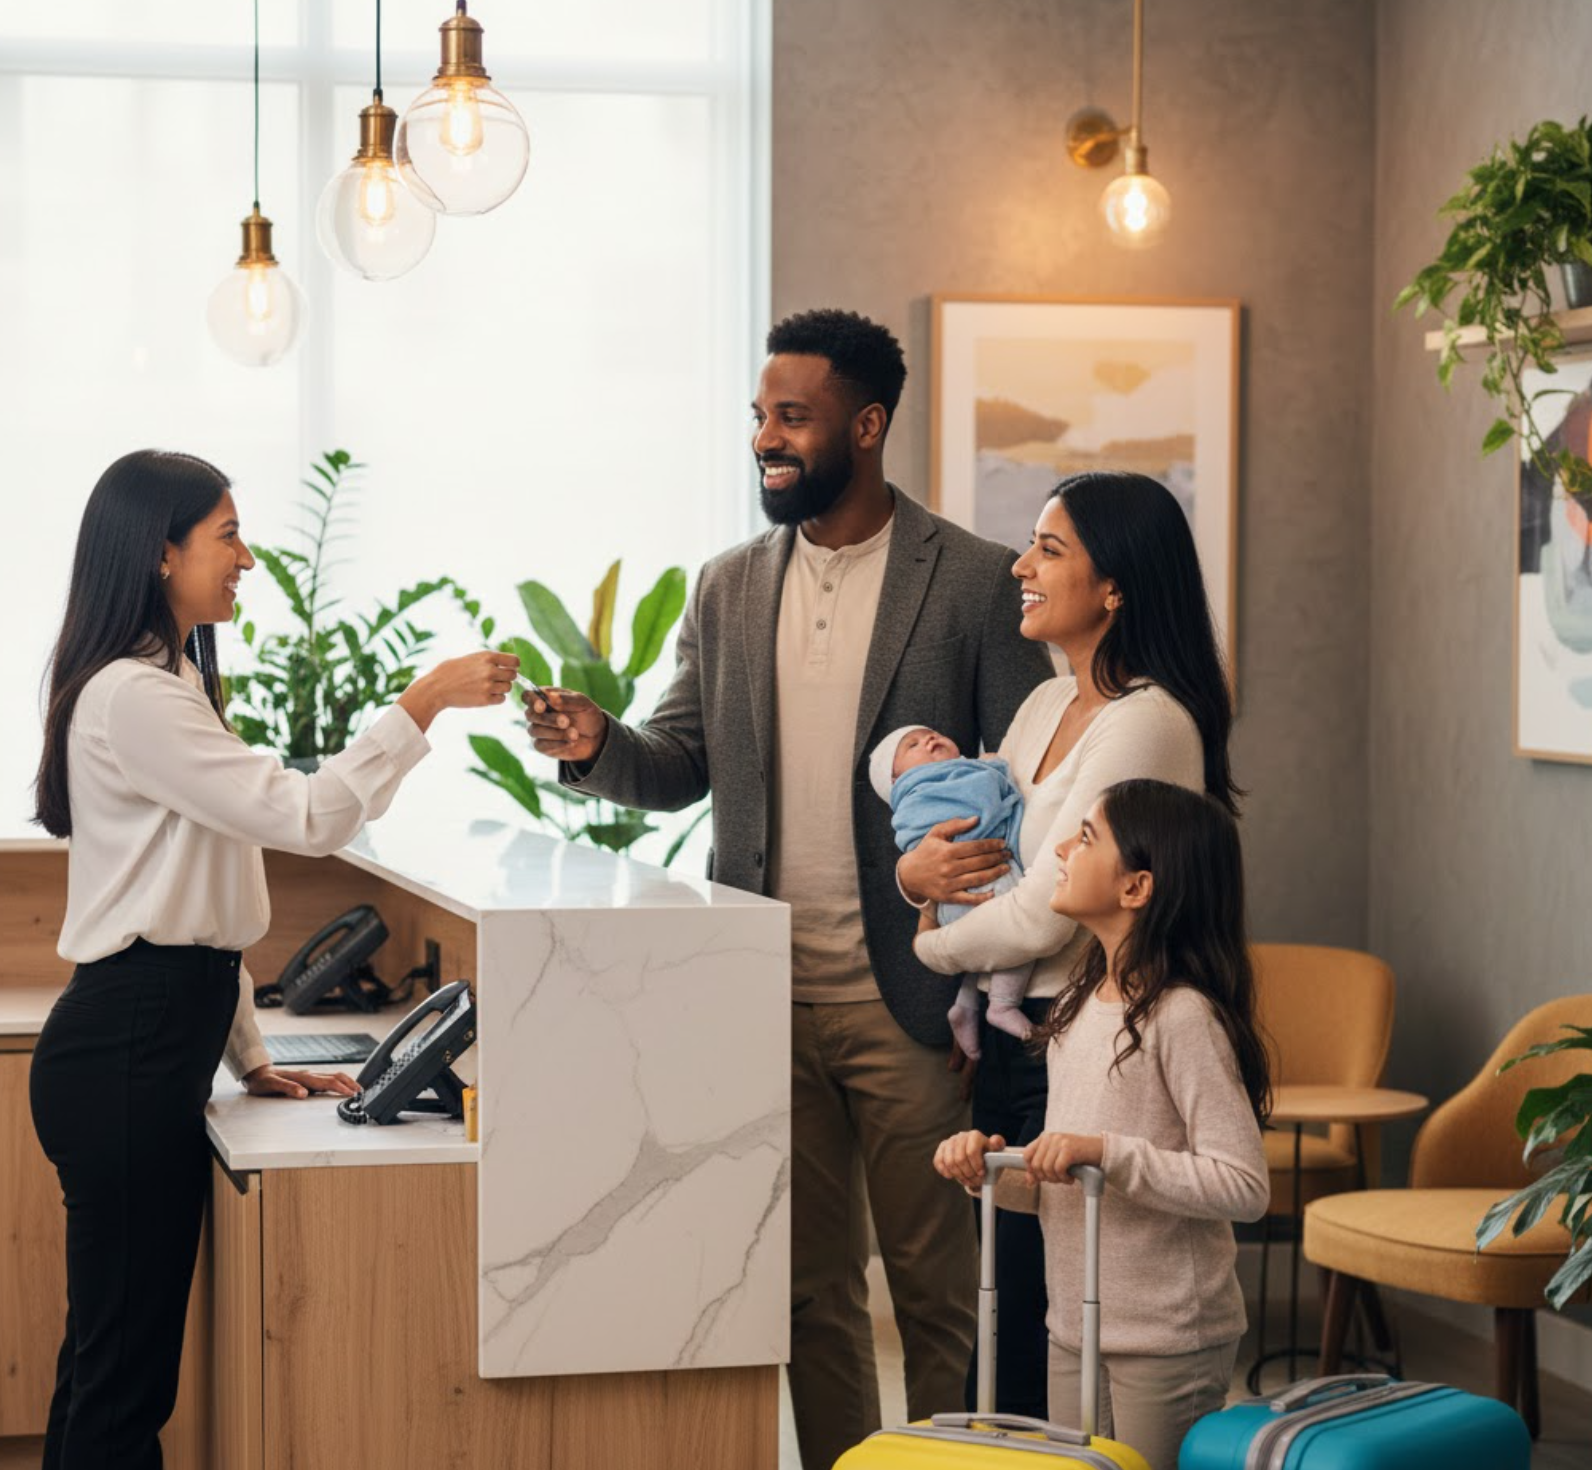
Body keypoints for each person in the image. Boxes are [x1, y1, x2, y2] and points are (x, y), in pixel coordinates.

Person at [525, 309, 1053, 1469]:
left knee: (937, 1295)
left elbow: (1029, 790)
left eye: (790, 417)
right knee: (806, 1297)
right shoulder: (724, 587)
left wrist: (984, 961)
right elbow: (673, 767)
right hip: (759, 996)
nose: (763, 436)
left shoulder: (967, 582)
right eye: (757, 415)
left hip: (915, 1005)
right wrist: (589, 741)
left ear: (864, 428)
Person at [28, 449, 517, 1470]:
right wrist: (419, 701)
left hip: (157, 1029)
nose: (246, 558)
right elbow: (299, 817)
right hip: (129, 1042)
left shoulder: (170, 685)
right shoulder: (137, 696)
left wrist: (248, 1052)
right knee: (122, 1385)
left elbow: (207, 897)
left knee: (113, 1369)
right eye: (228, 536)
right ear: (161, 553)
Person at [898, 470, 1238, 1421]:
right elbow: (972, 852)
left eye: (1049, 550)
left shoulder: (1153, 724)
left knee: (1058, 1326)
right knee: (1008, 1323)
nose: (1021, 566)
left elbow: (1047, 909)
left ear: (1116, 587)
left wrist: (932, 943)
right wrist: (913, 880)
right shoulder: (1046, 709)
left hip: (1083, 1041)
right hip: (1022, 1038)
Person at [934, 778, 1271, 1470]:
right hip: (1075, 1325)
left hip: (1169, 1337)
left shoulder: (1181, 1017)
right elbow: (1074, 1178)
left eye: (1086, 837)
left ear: (1136, 888)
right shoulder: (1079, 1007)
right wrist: (993, 1172)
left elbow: (1244, 1186)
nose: (1060, 847)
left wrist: (1111, 1154)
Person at [868, 724, 1032, 1056]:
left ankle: (965, 1005)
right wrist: (995, 770)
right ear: (897, 781)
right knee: (1017, 938)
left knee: (983, 955)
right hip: (978, 883)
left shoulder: (956, 774)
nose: (928, 739)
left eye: (931, 734)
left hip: (950, 903)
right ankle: (1001, 1004)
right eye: (912, 745)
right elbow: (982, 805)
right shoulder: (926, 791)